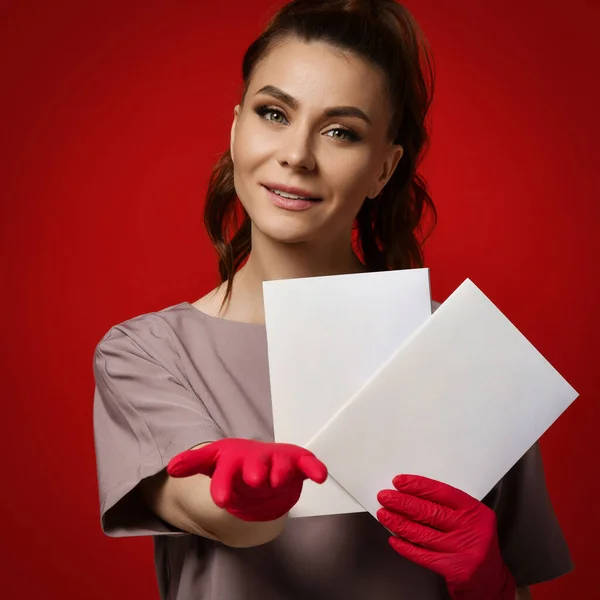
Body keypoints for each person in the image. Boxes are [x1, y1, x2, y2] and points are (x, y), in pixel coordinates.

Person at [92, 1, 573, 599]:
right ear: (236, 127)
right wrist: (239, 495)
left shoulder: (466, 357)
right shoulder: (144, 352)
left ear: (383, 170)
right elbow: (202, 505)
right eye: (274, 113)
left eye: (341, 131)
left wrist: (490, 581)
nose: (297, 155)